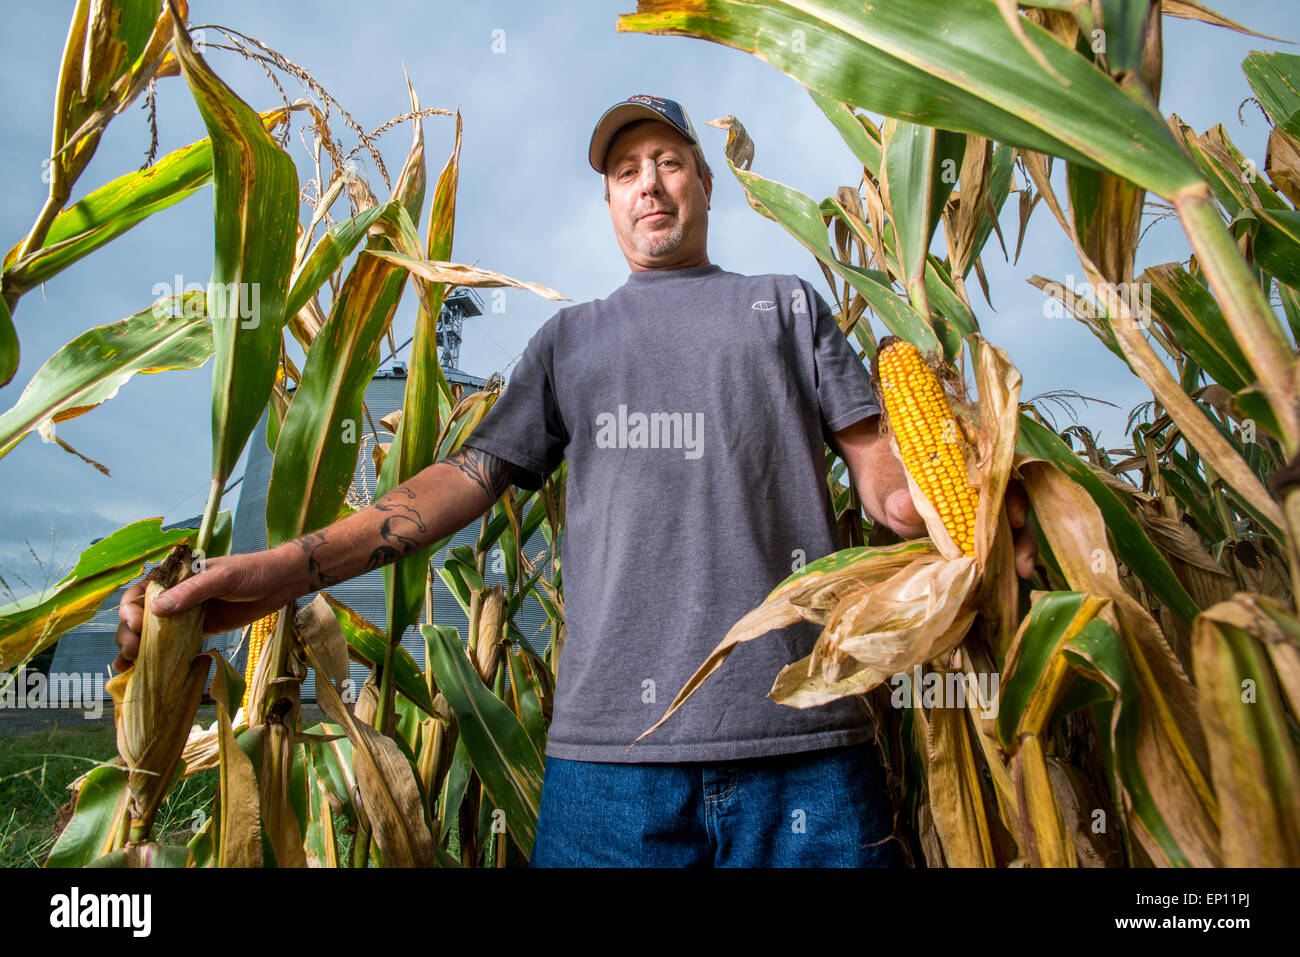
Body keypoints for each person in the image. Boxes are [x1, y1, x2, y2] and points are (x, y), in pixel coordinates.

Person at [114, 94, 1037, 868]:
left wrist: (981, 506)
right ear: (608, 201)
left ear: (705, 185)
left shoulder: (785, 307)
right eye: (627, 170)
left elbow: (889, 488)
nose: (650, 182)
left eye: (670, 160)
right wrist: (277, 572)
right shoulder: (569, 341)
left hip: (806, 748)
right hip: (609, 771)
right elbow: (455, 484)